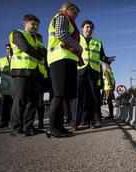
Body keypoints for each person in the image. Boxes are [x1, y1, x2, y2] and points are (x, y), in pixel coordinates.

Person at [71, 20, 115, 130]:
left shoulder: (98, 42)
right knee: (78, 98)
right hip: (80, 70)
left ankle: (95, 120)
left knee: (94, 97)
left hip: (93, 72)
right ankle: (75, 122)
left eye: (91, 28)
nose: (89, 29)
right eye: (87, 27)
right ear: (82, 28)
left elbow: (102, 57)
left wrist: (108, 59)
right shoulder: (76, 39)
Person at [47, 2, 82, 138]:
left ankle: (59, 127)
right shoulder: (61, 17)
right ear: (68, 9)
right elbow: (61, 35)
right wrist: (78, 46)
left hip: (67, 59)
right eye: (75, 14)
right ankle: (52, 128)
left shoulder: (68, 19)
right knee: (59, 94)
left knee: (64, 96)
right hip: (59, 59)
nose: (75, 17)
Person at [9, 14, 47, 136]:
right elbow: (25, 48)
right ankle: (16, 127)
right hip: (22, 70)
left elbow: (45, 54)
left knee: (33, 101)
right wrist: (39, 52)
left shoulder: (37, 39)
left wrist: (39, 51)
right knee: (20, 99)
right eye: (33, 24)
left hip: (36, 72)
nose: (35, 27)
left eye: (37, 25)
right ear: (24, 23)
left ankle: (28, 127)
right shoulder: (16, 33)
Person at [0, 44, 13, 128]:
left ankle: (16, 122)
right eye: (7, 49)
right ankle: (4, 122)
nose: (9, 50)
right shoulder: (1, 60)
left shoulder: (17, 58)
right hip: (5, 83)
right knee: (5, 103)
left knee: (16, 102)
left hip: (16, 81)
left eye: (10, 48)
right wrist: (3, 74)